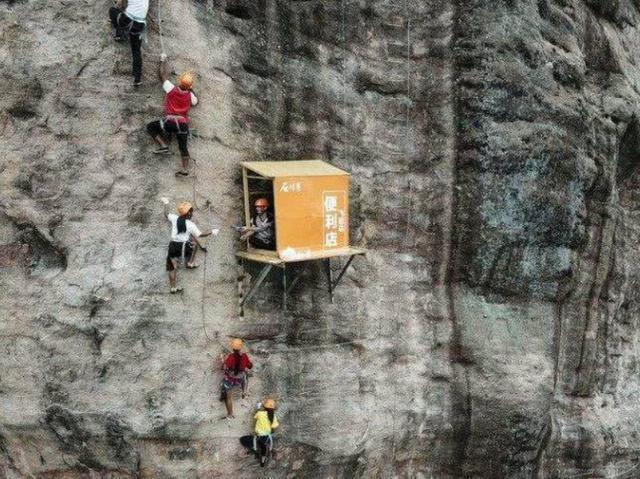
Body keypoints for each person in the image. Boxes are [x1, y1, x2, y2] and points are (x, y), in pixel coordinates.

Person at [147, 58, 199, 177]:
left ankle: (163, 146)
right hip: (182, 124)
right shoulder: (190, 95)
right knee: (183, 147)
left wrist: (162, 61)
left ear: (180, 81)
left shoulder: (171, 88)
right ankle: (185, 170)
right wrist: (191, 89)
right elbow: (195, 102)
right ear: (190, 86)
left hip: (170, 122)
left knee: (151, 127)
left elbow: (162, 76)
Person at [162, 199, 212, 293]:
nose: (192, 213)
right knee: (194, 245)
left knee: (172, 267)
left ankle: (173, 287)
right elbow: (200, 235)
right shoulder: (190, 224)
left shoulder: (174, 218)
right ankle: (190, 263)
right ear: (188, 214)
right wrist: (211, 232)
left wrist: (166, 203)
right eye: (191, 212)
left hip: (172, 246)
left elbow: (166, 214)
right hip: (184, 247)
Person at [109, 0, 149, 87]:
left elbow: (119, 4)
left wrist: (117, 5)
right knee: (136, 51)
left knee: (112, 10)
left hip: (127, 20)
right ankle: (137, 79)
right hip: (140, 24)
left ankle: (120, 34)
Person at [239, 398, 280, 467]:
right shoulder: (273, 416)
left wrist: (258, 407)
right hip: (267, 438)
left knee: (242, 439)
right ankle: (262, 461)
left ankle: (253, 450)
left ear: (264, 407)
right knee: (263, 448)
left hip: (259, 437)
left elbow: (256, 416)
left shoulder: (260, 414)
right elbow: (274, 426)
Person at [220, 338, 253, 418]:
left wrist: (223, 359)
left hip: (230, 380)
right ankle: (244, 391)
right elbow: (249, 366)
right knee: (245, 376)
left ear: (232, 347)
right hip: (239, 380)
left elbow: (224, 367)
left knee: (228, 397)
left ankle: (230, 414)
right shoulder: (244, 356)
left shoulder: (231, 357)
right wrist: (247, 364)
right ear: (241, 347)